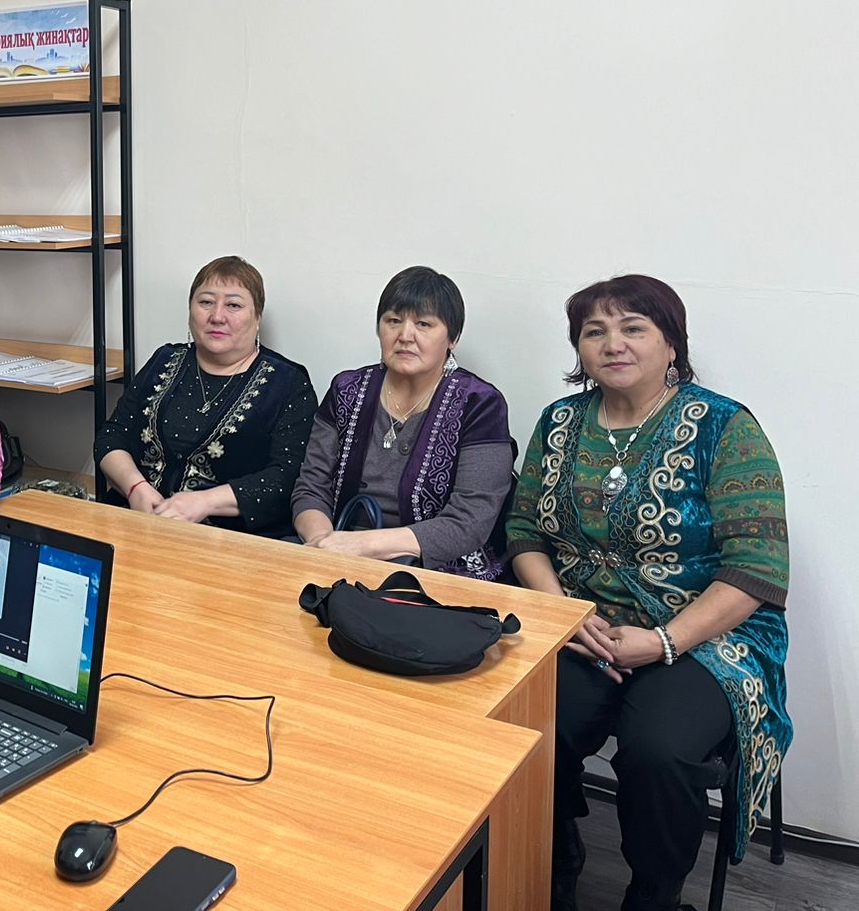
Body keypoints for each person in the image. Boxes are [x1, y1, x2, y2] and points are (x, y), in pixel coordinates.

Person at [506, 275, 790, 911]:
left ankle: (656, 895)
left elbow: (757, 569)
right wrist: (564, 612)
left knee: (659, 751)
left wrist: (664, 641)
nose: (613, 344)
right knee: (525, 723)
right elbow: (523, 532)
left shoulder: (725, 427)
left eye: (633, 328)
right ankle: (552, 857)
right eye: (595, 331)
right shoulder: (559, 422)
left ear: (671, 344)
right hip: (584, 627)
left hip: (709, 635)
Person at [290, 266, 513, 578]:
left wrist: (361, 547)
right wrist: (322, 543)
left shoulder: (479, 403)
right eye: (393, 321)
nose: (405, 336)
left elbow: (469, 522)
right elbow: (311, 486)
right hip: (335, 551)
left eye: (423, 324)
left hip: (436, 569)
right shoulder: (347, 389)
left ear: (453, 337)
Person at [94, 256, 316, 536]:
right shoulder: (164, 359)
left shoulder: (288, 382)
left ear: (257, 317)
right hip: (136, 522)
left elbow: (288, 477)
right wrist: (135, 488)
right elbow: (111, 436)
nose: (217, 316)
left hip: (229, 540)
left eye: (233, 305)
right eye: (206, 302)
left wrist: (204, 502)